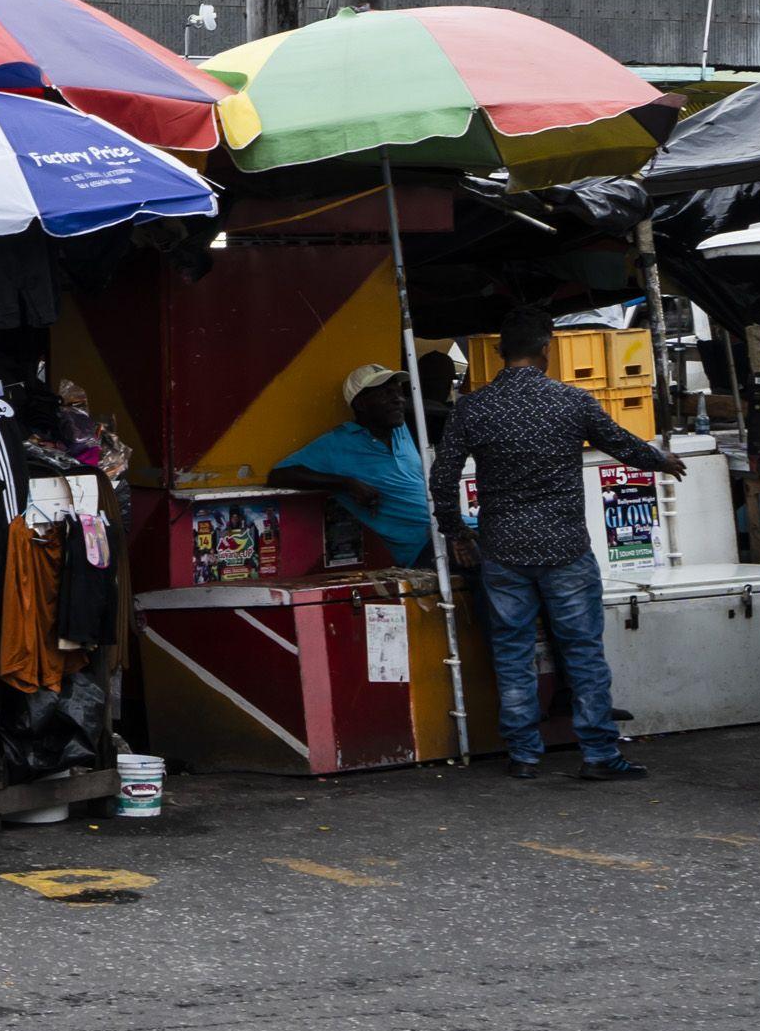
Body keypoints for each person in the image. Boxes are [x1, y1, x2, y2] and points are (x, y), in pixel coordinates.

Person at [427, 308, 683, 784]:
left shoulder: (473, 408)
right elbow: (623, 444)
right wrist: (660, 461)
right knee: (582, 650)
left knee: (512, 651)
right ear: (546, 347)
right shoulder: (571, 401)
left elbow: (442, 478)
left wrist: (456, 533)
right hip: (565, 546)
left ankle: (524, 754)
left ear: (501, 352)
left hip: (502, 548)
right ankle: (599, 754)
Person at [270, 363, 434, 570]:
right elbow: (278, 475)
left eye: (399, 393)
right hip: (423, 548)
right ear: (361, 404)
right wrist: (346, 483)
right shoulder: (338, 443)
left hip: (447, 530)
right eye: (387, 394)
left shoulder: (400, 431)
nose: (399, 400)